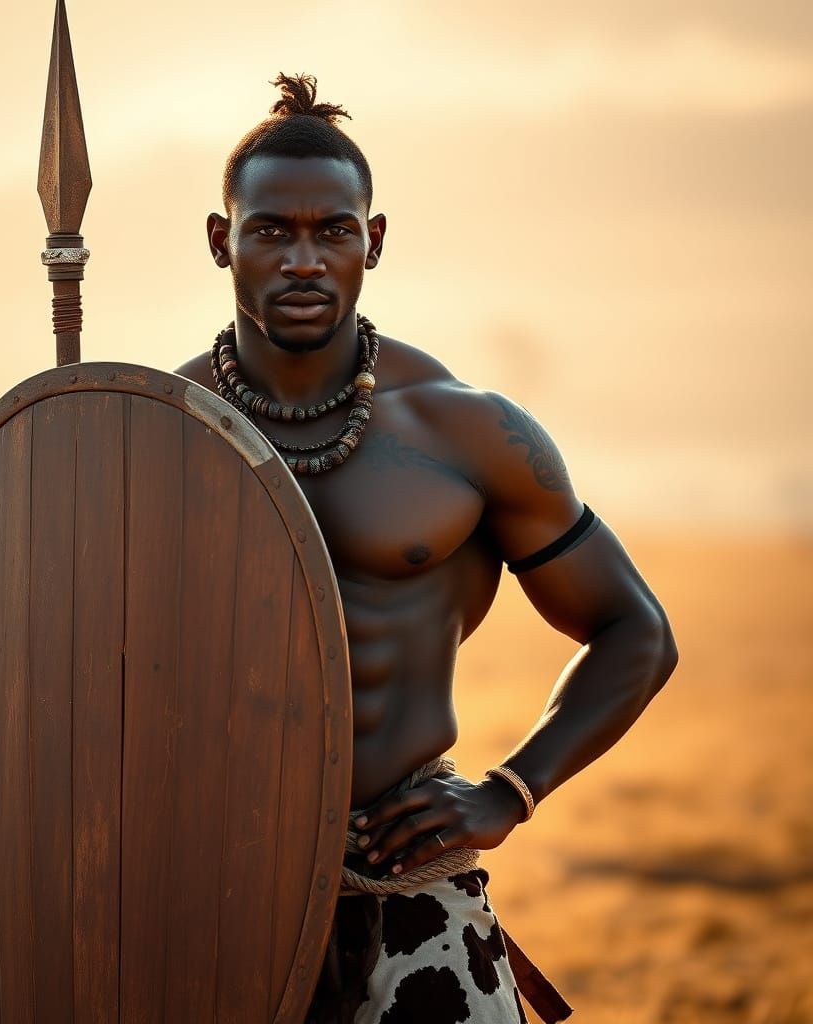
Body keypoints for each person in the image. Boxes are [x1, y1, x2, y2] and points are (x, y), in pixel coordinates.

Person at [174, 73, 678, 1024]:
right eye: (271, 231)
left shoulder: (465, 433)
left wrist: (510, 791)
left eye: (333, 231)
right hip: (208, 897)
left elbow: (636, 630)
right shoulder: (158, 436)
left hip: (413, 894)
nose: (304, 260)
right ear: (219, 239)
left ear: (373, 240)